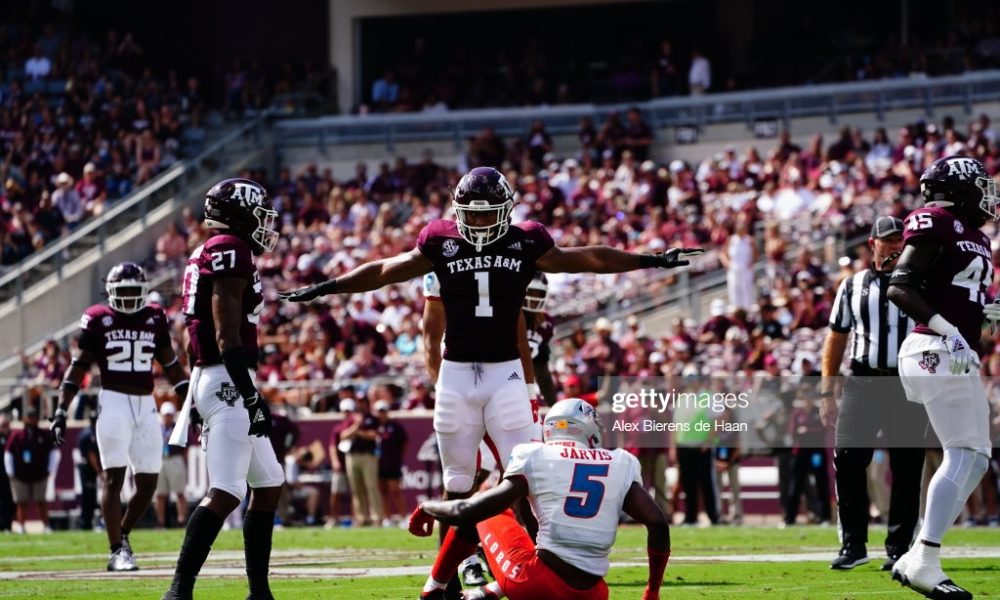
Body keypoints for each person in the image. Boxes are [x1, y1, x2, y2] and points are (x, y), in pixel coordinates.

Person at [280, 166, 699, 599]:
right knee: (457, 482)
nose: (478, 223)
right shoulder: (438, 240)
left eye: (486, 215)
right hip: (457, 373)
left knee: (530, 477)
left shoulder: (527, 240)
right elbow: (387, 268)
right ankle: (443, 583)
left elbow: (588, 258)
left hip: (506, 373)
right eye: (472, 215)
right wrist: (327, 287)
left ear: (505, 211)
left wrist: (650, 259)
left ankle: (541, 564)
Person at [409, 398, 671, 600]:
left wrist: (426, 507)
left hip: (537, 585)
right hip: (593, 593)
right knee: (537, 543)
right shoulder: (621, 462)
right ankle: (487, 593)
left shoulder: (533, 455)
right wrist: (652, 592)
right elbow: (657, 523)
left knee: (488, 511)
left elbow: (466, 511)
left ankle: (432, 592)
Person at [161, 178, 284, 600]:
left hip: (222, 375)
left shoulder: (216, 249)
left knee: (268, 484)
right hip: (226, 377)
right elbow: (226, 335)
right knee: (227, 490)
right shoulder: (231, 248)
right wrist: (250, 396)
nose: (263, 223)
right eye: (257, 214)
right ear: (239, 215)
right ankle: (178, 590)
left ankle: (259, 592)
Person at [887, 156, 998, 600]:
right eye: (980, 184)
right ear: (959, 187)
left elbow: (955, 289)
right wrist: (950, 330)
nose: (988, 194)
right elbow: (900, 285)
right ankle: (925, 559)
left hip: (952, 352)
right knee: (964, 451)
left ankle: (917, 555)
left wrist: (981, 313)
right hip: (933, 349)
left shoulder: (976, 237)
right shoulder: (937, 221)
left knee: (976, 457)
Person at [52, 262, 189, 571]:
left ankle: (122, 533)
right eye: (122, 291)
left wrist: (190, 401)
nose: (127, 298)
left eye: (133, 291)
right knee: (113, 477)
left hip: (146, 403)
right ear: (111, 292)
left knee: (148, 483)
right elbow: (79, 367)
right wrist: (61, 407)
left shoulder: (154, 317)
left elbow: (171, 365)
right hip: (113, 401)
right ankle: (116, 551)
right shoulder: (98, 319)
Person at [820, 216, 924, 571]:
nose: (896, 245)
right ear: (872, 244)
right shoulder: (852, 286)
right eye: (889, 240)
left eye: (901, 240)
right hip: (863, 381)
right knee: (848, 459)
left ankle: (899, 547)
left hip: (907, 382)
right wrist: (826, 392)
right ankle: (853, 545)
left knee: (907, 466)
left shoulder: (921, 281)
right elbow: (836, 337)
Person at [4, 405, 57, 534]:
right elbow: (8, 454)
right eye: (29, 417)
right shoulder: (17, 435)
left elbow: (53, 453)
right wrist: (10, 472)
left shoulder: (43, 435)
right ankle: (21, 526)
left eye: (34, 417)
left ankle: (46, 526)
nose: (32, 419)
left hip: (39, 474)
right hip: (20, 475)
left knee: (41, 501)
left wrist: (50, 470)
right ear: (24, 418)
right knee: (21, 502)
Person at [522, 274, 556, 406]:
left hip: (535, 361)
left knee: (543, 361)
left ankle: (554, 407)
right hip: (511, 361)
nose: (534, 298)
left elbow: (541, 359)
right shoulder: (512, 315)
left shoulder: (547, 322)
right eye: (531, 292)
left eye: (538, 293)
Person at [375, 399, 408, 526]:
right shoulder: (375, 425)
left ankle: (404, 516)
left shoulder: (395, 426)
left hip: (392, 463)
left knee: (395, 490)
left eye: (383, 411)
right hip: (379, 464)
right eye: (379, 411)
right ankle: (387, 518)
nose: (381, 414)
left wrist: (399, 457)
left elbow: (405, 442)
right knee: (383, 491)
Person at [156, 402, 189, 529]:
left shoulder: (178, 428)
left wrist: (184, 461)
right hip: (161, 460)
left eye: (170, 415)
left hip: (175, 459)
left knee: (179, 492)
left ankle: (181, 519)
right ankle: (160, 522)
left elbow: (185, 447)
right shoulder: (158, 429)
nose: (167, 417)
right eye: (166, 415)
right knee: (160, 494)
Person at [77, 410, 101, 531]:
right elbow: (91, 455)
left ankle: (87, 521)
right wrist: (100, 472)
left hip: (87, 468)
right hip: (89, 469)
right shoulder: (91, 434)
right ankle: (86, 522)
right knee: (89, 496)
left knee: (89, 496)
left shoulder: (86, 433)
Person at [0, 415, 14, 532]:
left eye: (6, 425)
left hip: (9, 475)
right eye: (3, 425)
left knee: (9, 501)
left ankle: (7, 526)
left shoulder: (12, 437)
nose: (5, 428)